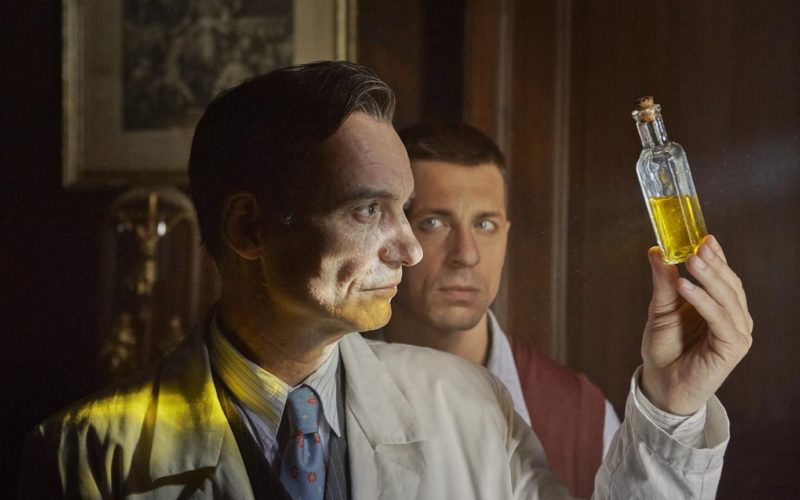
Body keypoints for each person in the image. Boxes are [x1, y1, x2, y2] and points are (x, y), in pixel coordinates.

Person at [18, 61, 752, 499]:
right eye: (370, 210)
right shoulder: (85, 454)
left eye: (406, 210)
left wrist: (673, 403)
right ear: (248, 229)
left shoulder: (471, 406)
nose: (410, 250)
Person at [368, 122, 618, 497]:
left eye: (485, 224)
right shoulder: (329, 386)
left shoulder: (583, 415)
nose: (466, 255)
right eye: (433, 223)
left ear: (505, 234)